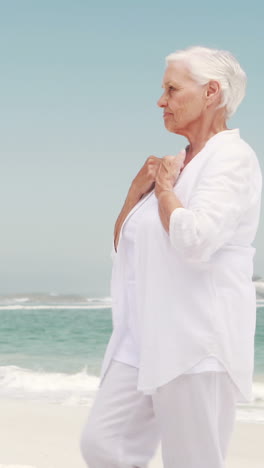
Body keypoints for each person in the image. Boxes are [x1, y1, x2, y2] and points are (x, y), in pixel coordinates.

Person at [80, 46, 262, 468]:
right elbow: (127, 247)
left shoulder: (232, 159)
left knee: (193, 462)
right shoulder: (176, 163)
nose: (161, 100)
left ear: (211, 92)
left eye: (172, 89)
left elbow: (195, 239)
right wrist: (135, 195)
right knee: (103, 445)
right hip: (143, 337)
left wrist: (164, 192)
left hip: (197, 340)